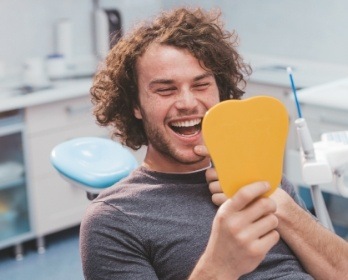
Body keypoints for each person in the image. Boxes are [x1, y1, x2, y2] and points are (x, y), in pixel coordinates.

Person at [80, 7, 348, 279]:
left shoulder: (262, 178)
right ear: (135, 105)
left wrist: (281, 205)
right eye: (165, 89)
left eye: (200, 85)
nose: (187, 103)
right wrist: (221, 266)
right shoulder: (112, 220)